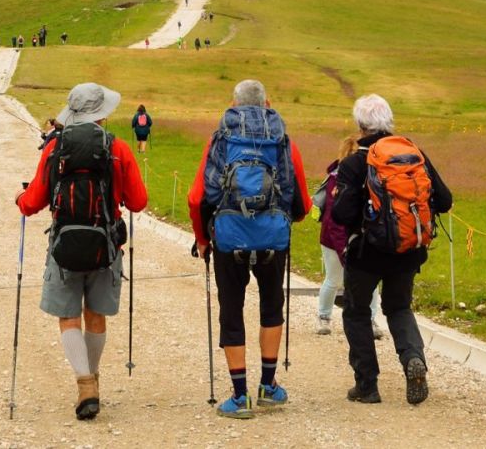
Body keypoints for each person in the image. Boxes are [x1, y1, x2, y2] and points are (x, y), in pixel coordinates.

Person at [16, 84, 148, 421]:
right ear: (101, 114)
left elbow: (32, 202)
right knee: (95, 315)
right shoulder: (117, 148)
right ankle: (93, 378)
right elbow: (138, 202)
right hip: (106, 246)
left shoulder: (55, 148)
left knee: (68, 315)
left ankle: (85, 383)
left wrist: (21, 199)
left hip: (64, 245)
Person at [187, 80, 310, 418]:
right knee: (272, 307)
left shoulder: (220, 140)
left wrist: (202, 238)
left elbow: (198, 197)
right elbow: (301, 202)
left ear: (233, 104)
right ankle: (269, 387)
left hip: (228, 238)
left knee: (232, 311)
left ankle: (239, 397)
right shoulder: (284, 141)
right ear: (267, 103)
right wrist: (285, 219)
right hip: (273, 237)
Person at [330, 94, 452, 406]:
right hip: (408, 250)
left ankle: (367, 385)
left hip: (365, 255)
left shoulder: (356, 162)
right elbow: (446, 199)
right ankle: (414, 360)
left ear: (360, 125)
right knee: (399, 308)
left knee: (356, 313)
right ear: (390, 121)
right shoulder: (414, 154)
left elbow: (341, 214)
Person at [313, 137, 384, 339]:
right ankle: (324, 316)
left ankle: (371, 320)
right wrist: (343, 251)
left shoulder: (371, 178)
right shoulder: (337, 179)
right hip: (332, 240)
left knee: (370, 281)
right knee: (334, 279)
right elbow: (333, 221)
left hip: (360, 238)